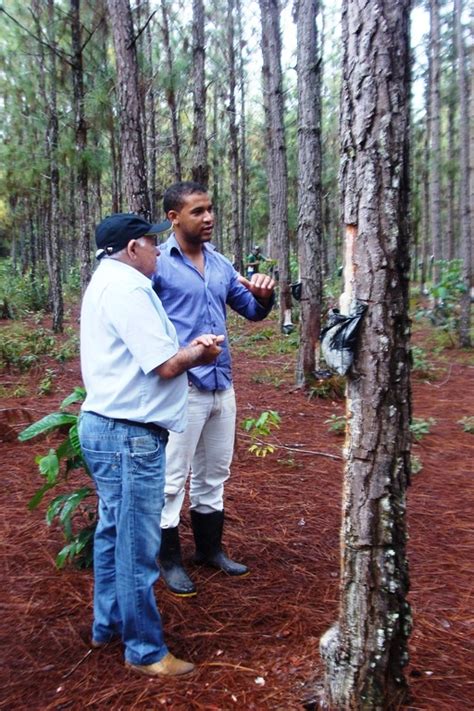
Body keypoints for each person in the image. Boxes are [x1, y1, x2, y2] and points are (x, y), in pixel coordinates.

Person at [78, 213, 224, 678]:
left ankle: (109, 624)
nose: (159, 251)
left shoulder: (104, 281)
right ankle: (144, 650)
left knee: (112, 532)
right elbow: (163, 365)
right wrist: (201, 351)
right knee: (137, 546)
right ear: (133, 248)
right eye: (152, 244)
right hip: (128, 435)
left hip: (106, 425)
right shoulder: (129, 289)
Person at [153, 181, 275, 597]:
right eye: (198, 211)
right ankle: (167, 559)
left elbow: (253, 311)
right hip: (181, 388)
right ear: (174, 218)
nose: (208, 218)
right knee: (172, 479)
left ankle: (210, 550)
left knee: (214, 473)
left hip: (222, 385)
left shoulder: (221, 264)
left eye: (210, 209)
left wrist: (265, 295)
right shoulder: (157, 265)